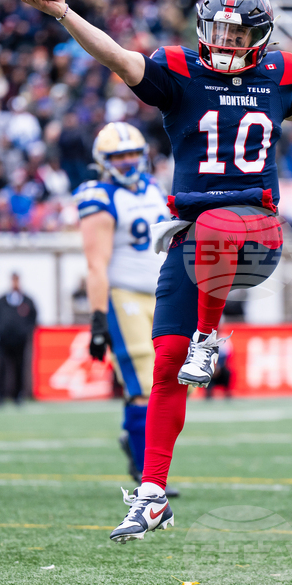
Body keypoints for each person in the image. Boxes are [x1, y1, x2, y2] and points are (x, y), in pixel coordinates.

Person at [14, 0, 292, 543]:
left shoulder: (279, 74)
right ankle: (153, 494)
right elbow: (116, 55)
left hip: (256, 229)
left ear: (259, 36)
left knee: (215, 226)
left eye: (238, 31)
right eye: (219, 28)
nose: (226, 39)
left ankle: (211, 338)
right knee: (165, 364)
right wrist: (63, 14)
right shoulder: (179, 70)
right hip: (193, 238)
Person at [75, 123, 173, 492]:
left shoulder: (154, 189)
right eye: (119, 156)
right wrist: (98, 319)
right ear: (104, 160)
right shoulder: (98, 196)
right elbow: (96, 264)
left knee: (176, 381)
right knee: (144, 386)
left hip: (161, 293)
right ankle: (146, 473)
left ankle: (131, 436)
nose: (129, 162)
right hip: (123, 295)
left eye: (133, 153)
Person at [0, 272, 38, 404]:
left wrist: (24, 332)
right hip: (4, 340)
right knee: (1, 367)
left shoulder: (27, 301)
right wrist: (0, 331)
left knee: (19, 367)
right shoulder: (2, 300)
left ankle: (18, 395)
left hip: (20, 341)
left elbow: (33, 319)